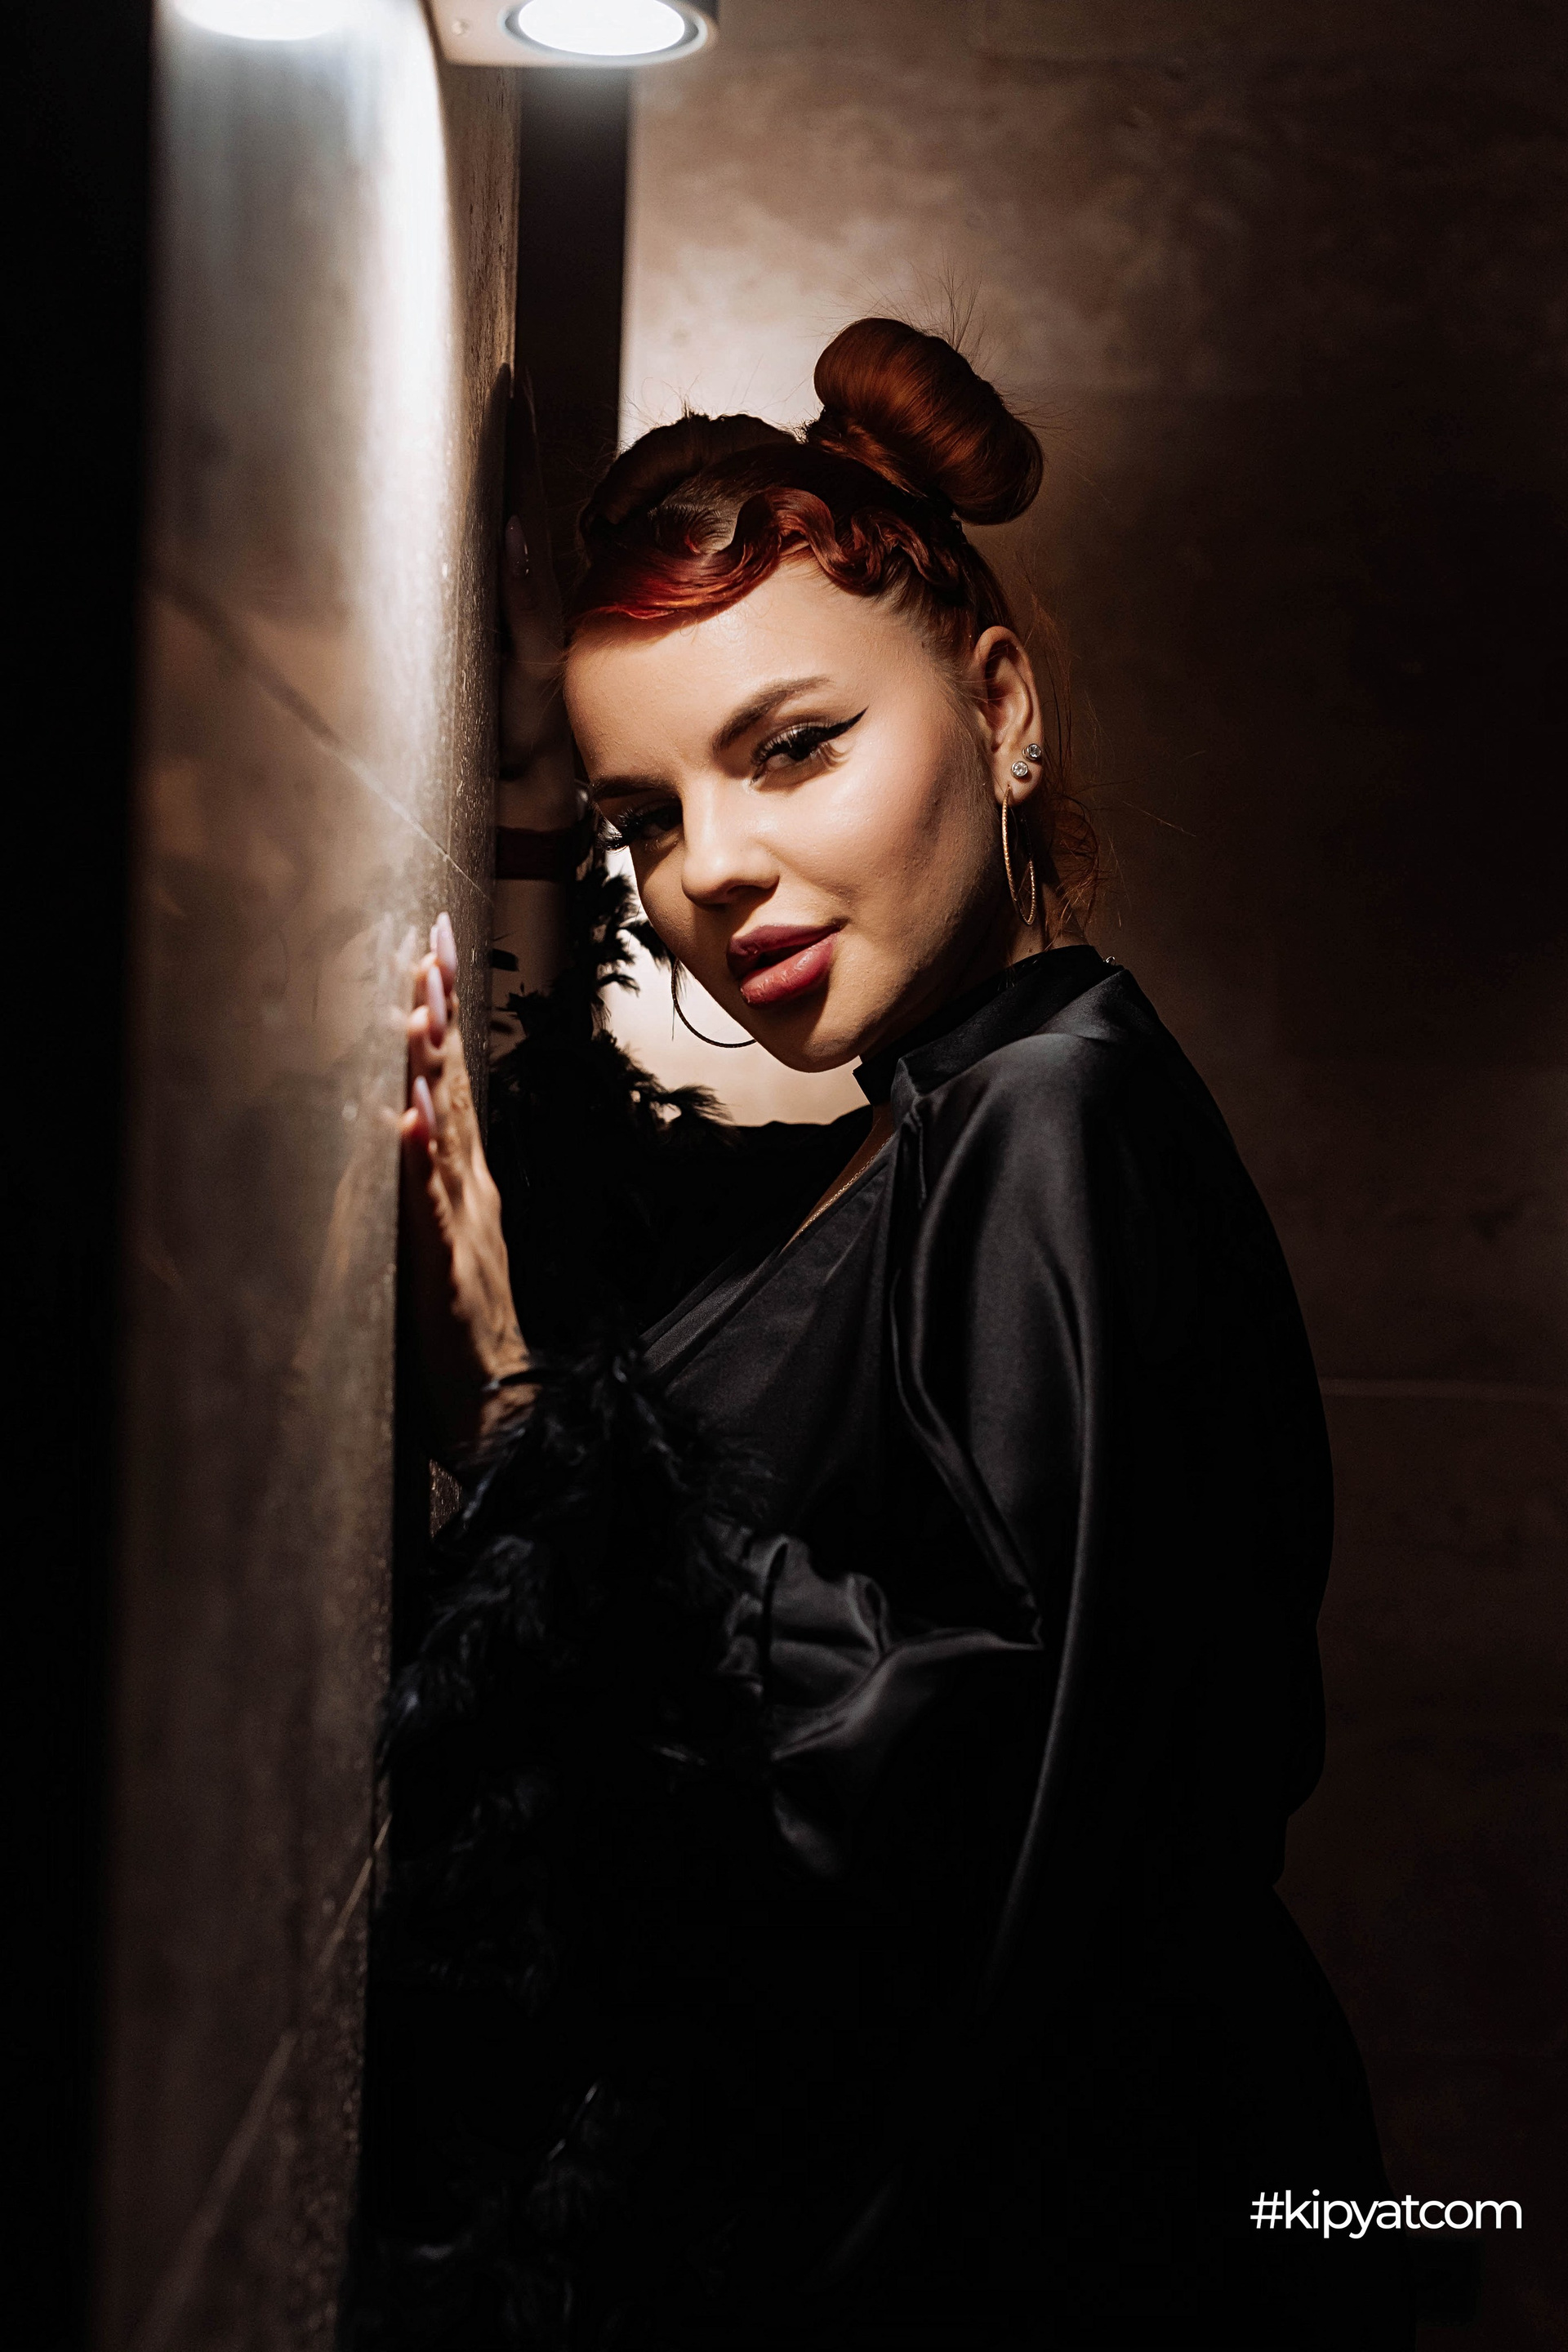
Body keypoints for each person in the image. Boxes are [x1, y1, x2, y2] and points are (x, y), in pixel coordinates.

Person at [352, 320, 1410, 2350]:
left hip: (1094, 2237)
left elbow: (962, 1774)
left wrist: (511, 1413)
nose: (714, 872)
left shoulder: (1052, 1119)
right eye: (644, 814)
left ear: (1001, 709)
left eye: (792, 748)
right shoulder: (933, 1120)